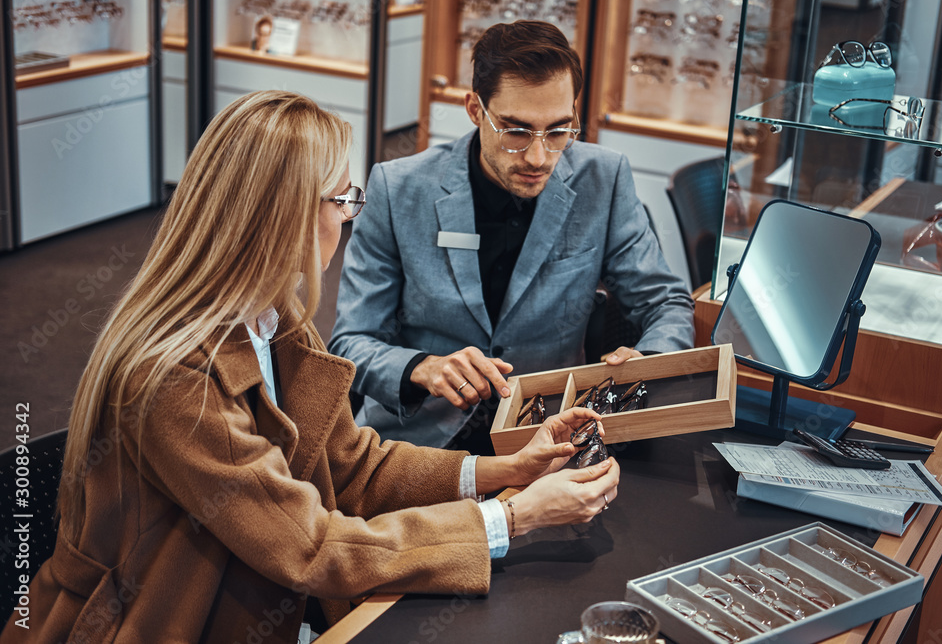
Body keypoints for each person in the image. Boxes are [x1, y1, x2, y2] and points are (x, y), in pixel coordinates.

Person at [0, 91, 619, 643]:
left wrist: (501, 469)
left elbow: (352, 464)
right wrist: (516, 515)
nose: (350, 216)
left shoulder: (272, 319)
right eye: (342, 198)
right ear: (283, 214)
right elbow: (308, 545)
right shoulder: (173, 377)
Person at [330, 21, 695, 449]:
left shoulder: (604, 179)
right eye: (516, 131)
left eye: (558, 131)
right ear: (474, 109)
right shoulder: (399, 188)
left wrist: (646, 362)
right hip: (418, 441)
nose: (538, 157)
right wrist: (421, 367)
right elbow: (349, 342)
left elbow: (666, 302)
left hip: (550, 436)